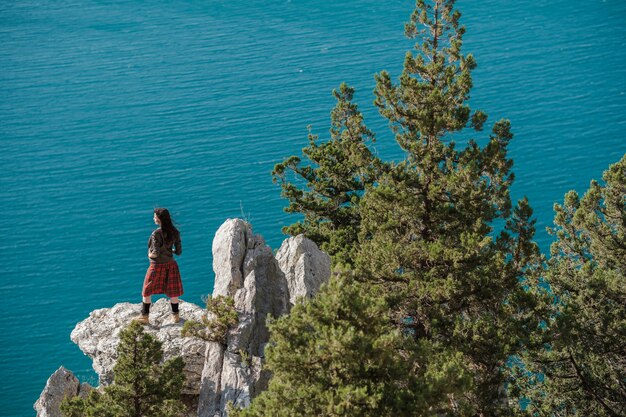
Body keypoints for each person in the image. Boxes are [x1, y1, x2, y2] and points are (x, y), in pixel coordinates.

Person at [135, 208, 184, 325]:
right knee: (173, 291)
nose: (153, 218)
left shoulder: (156, 234)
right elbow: (178, 252)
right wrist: (168, 250)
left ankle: (144, 316)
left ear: (159, 219)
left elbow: (155, 253)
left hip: (156, 266)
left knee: (146, 290)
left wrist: (149, 254)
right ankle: (175, 316)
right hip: (171, 265)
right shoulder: (175, 232)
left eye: (155, 217)